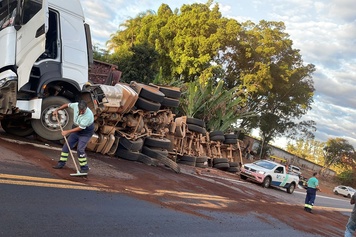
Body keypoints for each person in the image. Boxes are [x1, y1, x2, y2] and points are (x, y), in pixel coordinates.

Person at [52, 100, 94, 173]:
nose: (81, 112)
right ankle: (61, 163)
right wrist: (57, 110)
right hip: (76, 128)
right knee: (66, 146)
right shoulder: (75, 105)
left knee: (80, 149)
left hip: (85, 132)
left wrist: (67, 131)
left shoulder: (88, 115)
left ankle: (84, 168)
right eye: (80, 110)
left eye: (83, 111)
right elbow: (67, 105)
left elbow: (80, 128)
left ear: (86, 108)